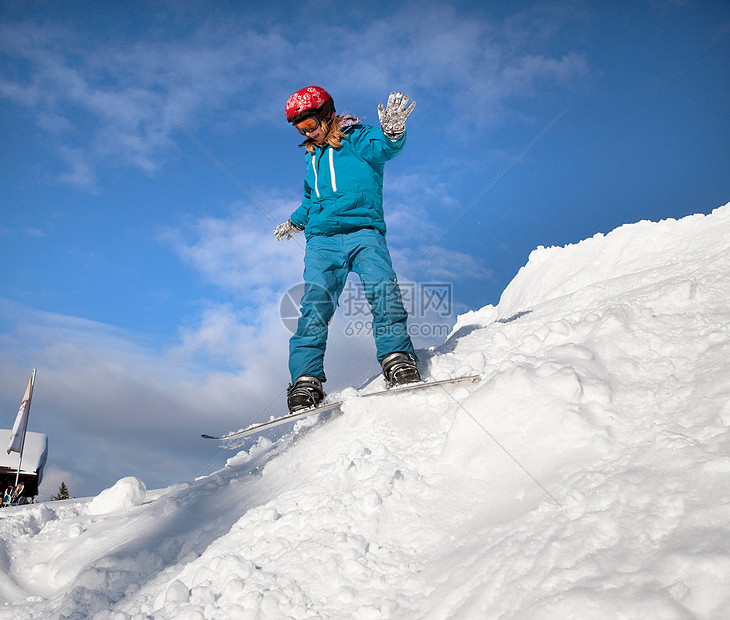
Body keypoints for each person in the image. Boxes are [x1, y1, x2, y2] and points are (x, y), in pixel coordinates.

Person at [274, 86, 421, 413]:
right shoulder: (313, 157)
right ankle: (305, 380)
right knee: (315, 304)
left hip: (364, 231)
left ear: (327, 115)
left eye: (310, 125)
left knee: (383, 291)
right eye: (300, 130)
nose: (306, 133)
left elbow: (385, 148)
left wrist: (393, 132)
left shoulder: (358, 138)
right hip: (322, 241)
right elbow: (310, 199)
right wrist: (294, 222)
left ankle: (396, 357)